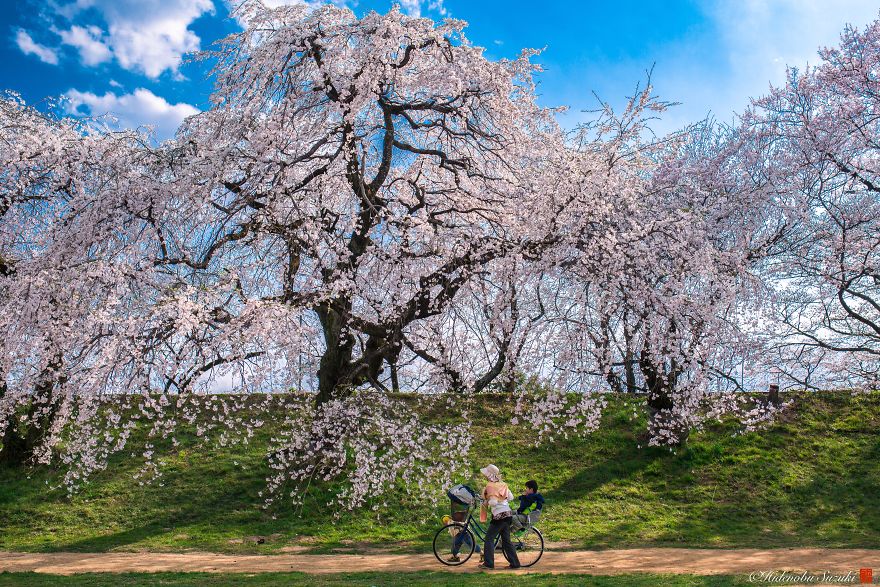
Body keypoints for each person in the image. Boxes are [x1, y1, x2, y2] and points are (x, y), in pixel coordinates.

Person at [477, 464, 521, 570]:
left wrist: (487, 500)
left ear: (489, 475)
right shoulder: (502, 484)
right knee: (506, 541)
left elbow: (493, 502)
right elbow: (510, 497)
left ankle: (489, 563)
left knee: (489, 539)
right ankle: (515, 564)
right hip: (508, 514)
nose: (485, 477)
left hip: (499, 516)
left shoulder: (490, 486)